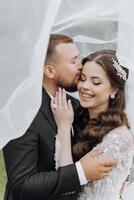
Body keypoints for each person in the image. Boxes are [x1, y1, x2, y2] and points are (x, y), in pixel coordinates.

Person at [3, 35, 116, 200]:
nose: (81, 66)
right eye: (73, 61)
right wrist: (80, 172)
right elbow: (21, 185)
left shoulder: (77, 105)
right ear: (49, 71)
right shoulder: (22, 113)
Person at [51, 49, 134, 200]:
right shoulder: (81, 119)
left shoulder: (117, 138)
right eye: (82, 79)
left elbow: (68, 185)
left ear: (114, 89)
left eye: (96, 82)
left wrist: (63, 127)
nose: (84, 87)